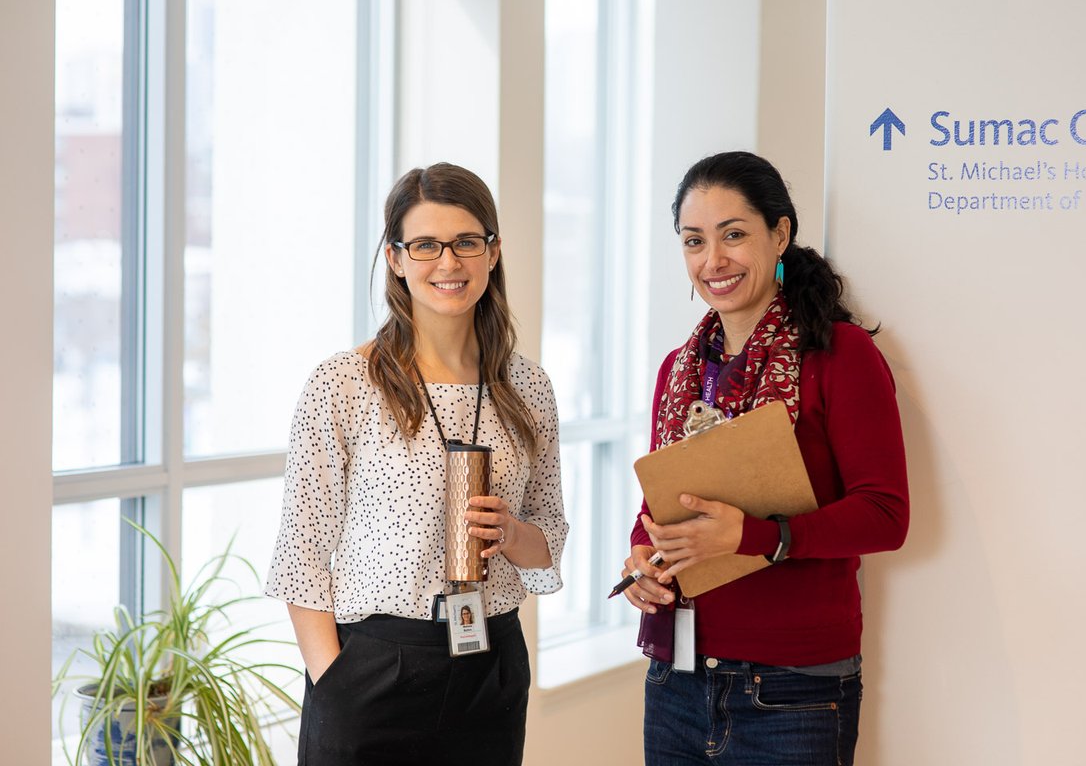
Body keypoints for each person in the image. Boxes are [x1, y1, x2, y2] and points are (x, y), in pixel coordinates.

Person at [266, 162, 568, 766]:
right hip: (373, 669)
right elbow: (302, 555)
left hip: (492, 662)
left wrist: (511, 534)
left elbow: (549, 541)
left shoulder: (527, 386)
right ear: (397, 259)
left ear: (493, 251)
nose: (448, 264)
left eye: (465, 242)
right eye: (426, 245)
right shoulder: (345, 382)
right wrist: (337, 683)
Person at [622, 151, 909, 766]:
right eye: (694, 241)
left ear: (779, 233)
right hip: (677, 678)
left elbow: (886, 515)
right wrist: (642, 558)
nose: (713, 260)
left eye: (734, 235)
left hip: (793, 690)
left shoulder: (840, 354)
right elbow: (658, 506)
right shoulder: (679, 369)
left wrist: (752, 536)